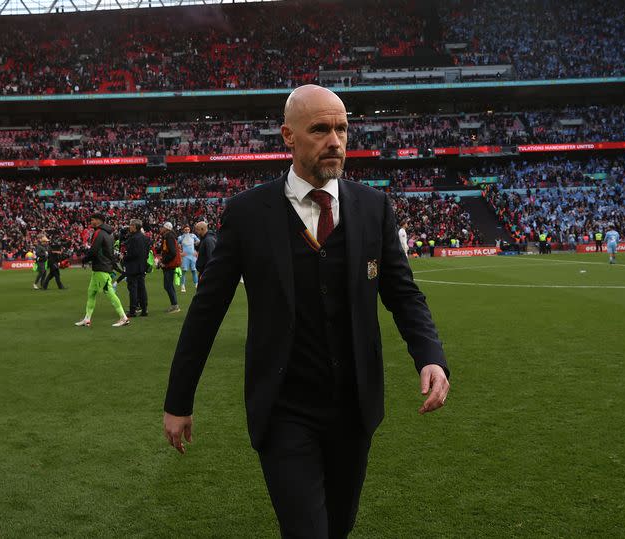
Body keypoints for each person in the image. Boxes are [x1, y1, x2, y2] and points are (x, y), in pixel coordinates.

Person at [163, 85, 449, 538]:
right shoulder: (248, 213)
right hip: (284, 411)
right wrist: (178, 402)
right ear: (288, 137)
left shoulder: (373, 207)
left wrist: (430, 356)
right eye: (320, 129)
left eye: (342, 128)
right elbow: (206, 312)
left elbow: (403, 292)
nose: (335, 140)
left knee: (339, 526)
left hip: (354, 407)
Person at [74, 213, 130, 328]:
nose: (91, 221)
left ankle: (123, 317)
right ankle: (87, 319)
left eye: (92, 219)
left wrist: (84, 259)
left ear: (98, 221)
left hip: (101, 268)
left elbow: (94, 251)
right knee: (91, 293)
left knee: (109, 293)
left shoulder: (98, 233)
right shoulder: (109, 233)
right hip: (102, 267)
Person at [123, 219, 150, 317]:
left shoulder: (133, 238)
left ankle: (133, 310)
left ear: (134, 226)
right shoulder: (145, 238)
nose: (129, 227)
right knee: (142, 288)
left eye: (130, 225)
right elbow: (146, 253)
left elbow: (133, 254)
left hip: (133, 267)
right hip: (142, 266)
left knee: (133, 289)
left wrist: (124, 257)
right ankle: (144, 309)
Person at [158, 222, 182, 313]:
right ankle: (174, 305)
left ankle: (175, 305)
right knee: (168, 285)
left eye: (162, 227)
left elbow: (172, 252)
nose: (161, 229)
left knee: (168, 285)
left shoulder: (169, 237)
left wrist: (164, 262)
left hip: (170, 264)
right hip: (169, 263)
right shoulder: (168, 236)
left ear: (166, 228)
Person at [178, 225, 200, 293]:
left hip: (192, 256)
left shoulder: (193, 236)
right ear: (183, 230)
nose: (187, 230)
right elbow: (176, 245)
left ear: (189, 230)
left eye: (188, 229)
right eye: (186, 229)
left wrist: (196, 250)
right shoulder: (181, 237)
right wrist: (180, 252)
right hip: (185, 256)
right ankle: (183, 286)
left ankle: (196, 284)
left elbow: (199, 242)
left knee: (194, 270)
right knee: (184, 271)